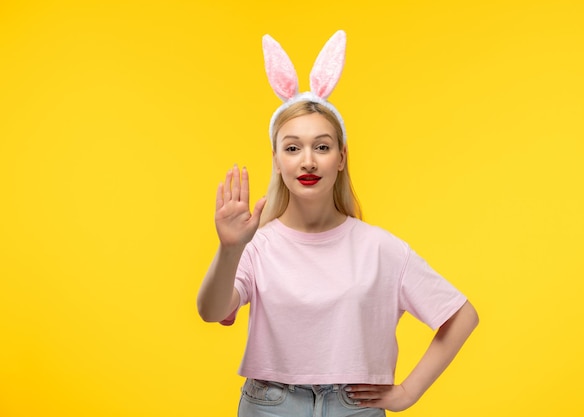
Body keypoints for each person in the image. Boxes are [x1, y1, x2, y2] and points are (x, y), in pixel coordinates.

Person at [197, 30, 479, 416]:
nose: (308, 160)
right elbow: (211, 311)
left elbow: (462, 315)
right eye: (292, 147)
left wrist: (407, 393)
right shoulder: (258, 245)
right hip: (270, 406)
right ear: (277, 161)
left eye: (322, 146)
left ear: (341, 157)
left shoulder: (380, 248)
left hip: (354, 408)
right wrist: (230, 249)